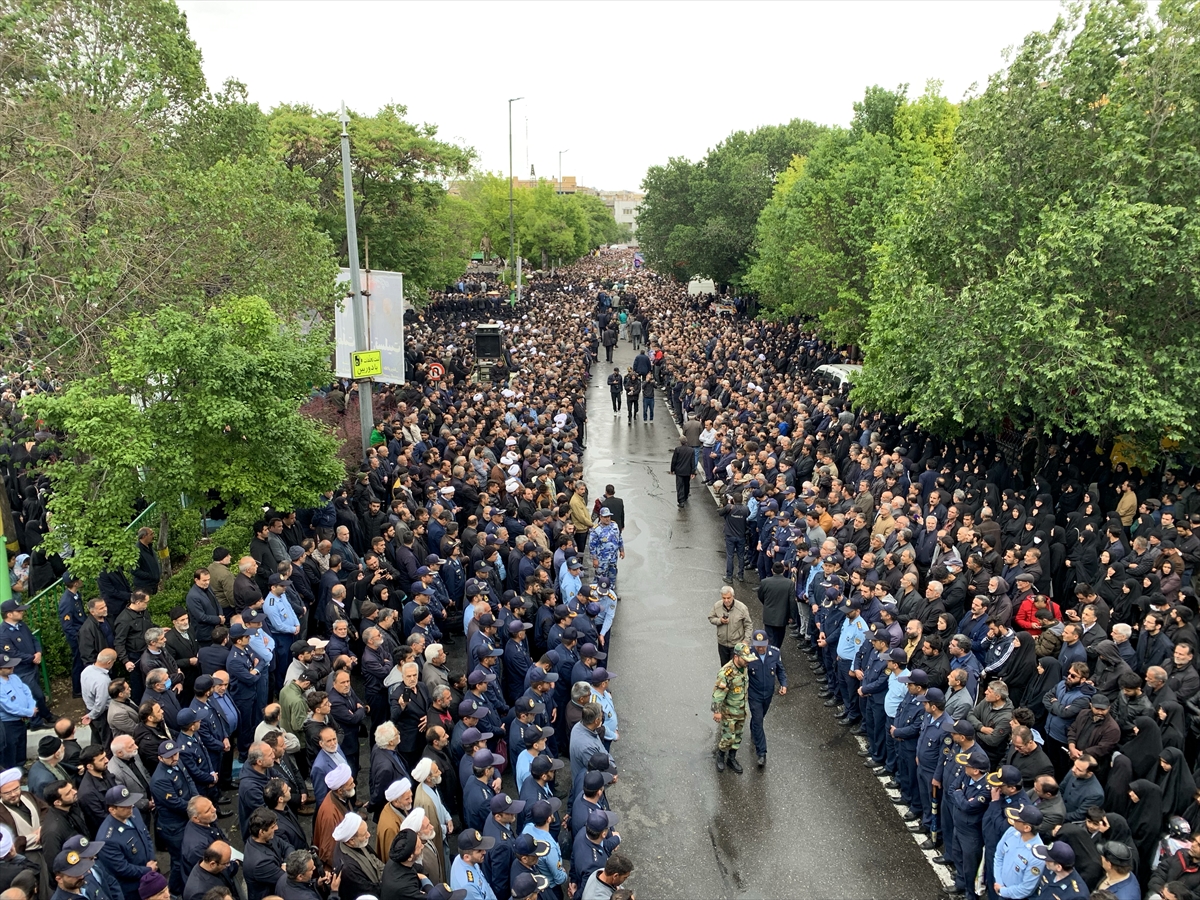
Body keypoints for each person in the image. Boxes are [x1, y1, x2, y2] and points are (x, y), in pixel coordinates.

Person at [711, 641, 757, 774]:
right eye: (745, 659)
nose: (748, 662)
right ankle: (721, 755)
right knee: (728, 737)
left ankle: (731, 758)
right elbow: (718, 694)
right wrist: (717, 711)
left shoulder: (744, 667)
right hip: (729, 712)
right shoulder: (726, 673)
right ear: (736, 657)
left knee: (738, 736)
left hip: (741, 709)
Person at [746, 630, 787, 767]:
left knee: (759, 717)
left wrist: (784, 684)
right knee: (758, 721)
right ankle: (761, 753)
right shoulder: (748, 654)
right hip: (754, 694)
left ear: (767, 642)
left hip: (768, 694)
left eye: (762, 645)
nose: (760, 648)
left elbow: (780, 670)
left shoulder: (775, 653)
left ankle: (754, 729)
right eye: (757, 645)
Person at [708, 587, 752, 665]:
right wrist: (720, 621)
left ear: (733, 596)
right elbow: (711, 618)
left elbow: (748, 625)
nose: (726, 600)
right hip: (722, 644)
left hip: (737, 644)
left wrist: (746, 640)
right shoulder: (717, 606)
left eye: (728, 598)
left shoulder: (742, 608)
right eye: (724, 598)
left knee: (736, 667)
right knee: (725, 667)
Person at [669, 437, 696, 507]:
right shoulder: (691, 450)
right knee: (686, 484)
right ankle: (686, 495)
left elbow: (674, 460)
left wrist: (672, 469)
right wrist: (693, 472)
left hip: (679, 471)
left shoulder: (677, 449)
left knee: (680, 486)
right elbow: (693, 462)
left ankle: (681, 501)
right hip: (687, 470)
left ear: (680, 442)